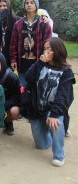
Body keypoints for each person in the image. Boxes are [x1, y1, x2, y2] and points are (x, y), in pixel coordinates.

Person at [25, 37, 75, 167]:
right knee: (41, 145)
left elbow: (63, 96)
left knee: (56, 122)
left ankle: (59, 155)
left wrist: (53, 114)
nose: (46, 52)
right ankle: (50, 131)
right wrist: (40, 62)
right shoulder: (41, 65)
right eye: (45, 48)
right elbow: (28, 78)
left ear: (58, 51)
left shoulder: (66, 71)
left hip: (53, 110)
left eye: (50, 49)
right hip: (38, 109)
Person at [10, 0, 52, 86]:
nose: (29, 5)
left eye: (32, 3)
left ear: (36, 5)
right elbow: (13, 44)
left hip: (39, 63)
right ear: (24, 6)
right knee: (24, 91)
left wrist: (46, 60)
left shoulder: (44, 24)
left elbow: (49, 46)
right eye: (27, 3)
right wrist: (13, 59)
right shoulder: (18, 24)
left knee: (38, 91)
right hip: (22, 64)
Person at [0, 52, 20, 135]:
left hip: (6, 105)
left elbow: (17, 97)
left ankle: (7, 122)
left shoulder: (12, 78)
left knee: (15, 111)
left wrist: (3, 105)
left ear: (3, 64)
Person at [0, 0, 19, 66]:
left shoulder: (16, 20)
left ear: (8, 6)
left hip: (10, 53)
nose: (2, 8)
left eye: (4, 6)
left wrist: (44, 17)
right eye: (0, 6)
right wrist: (2, 16)